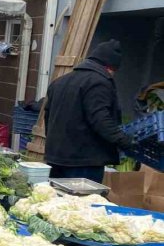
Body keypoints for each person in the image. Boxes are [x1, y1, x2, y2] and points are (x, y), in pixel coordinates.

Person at [44, 39, 136, 183]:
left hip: (55, 156)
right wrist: (126, 142)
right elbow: (100, 119)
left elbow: (48, 117)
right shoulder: (99, 82)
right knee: (82, 202)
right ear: (110, 67)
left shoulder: (59, 82)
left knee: (58, 200)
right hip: (83, 160)